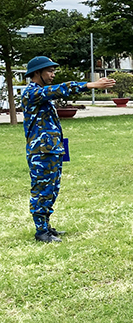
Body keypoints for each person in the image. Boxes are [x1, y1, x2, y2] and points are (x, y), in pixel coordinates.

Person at [21, 56, 116, 242]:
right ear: (36, 73)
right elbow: (60, 89)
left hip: (52, 150)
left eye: (53, 70)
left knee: (52, 189)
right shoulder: (32, 93)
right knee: (42, 190)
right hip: (41, 152)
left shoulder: (42, 93)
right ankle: (41, 231)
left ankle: (47, 226)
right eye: (49, 71)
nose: (52, 74)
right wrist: (89, 85)